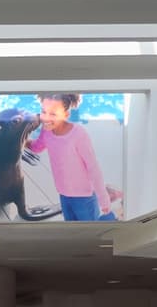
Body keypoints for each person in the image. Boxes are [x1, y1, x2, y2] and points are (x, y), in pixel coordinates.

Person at [28, 93, 116, 221]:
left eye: (53, 114)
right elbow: (37, 147)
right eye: (44, 112)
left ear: (66, 115)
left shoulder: (78, 134)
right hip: (64, 195)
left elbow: (93, 167)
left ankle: (110, 218)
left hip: (84, 197)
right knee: (72, 231)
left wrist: (104, 199)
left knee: (89, 234)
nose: (46, 118)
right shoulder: (46, 130)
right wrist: (23, 141)